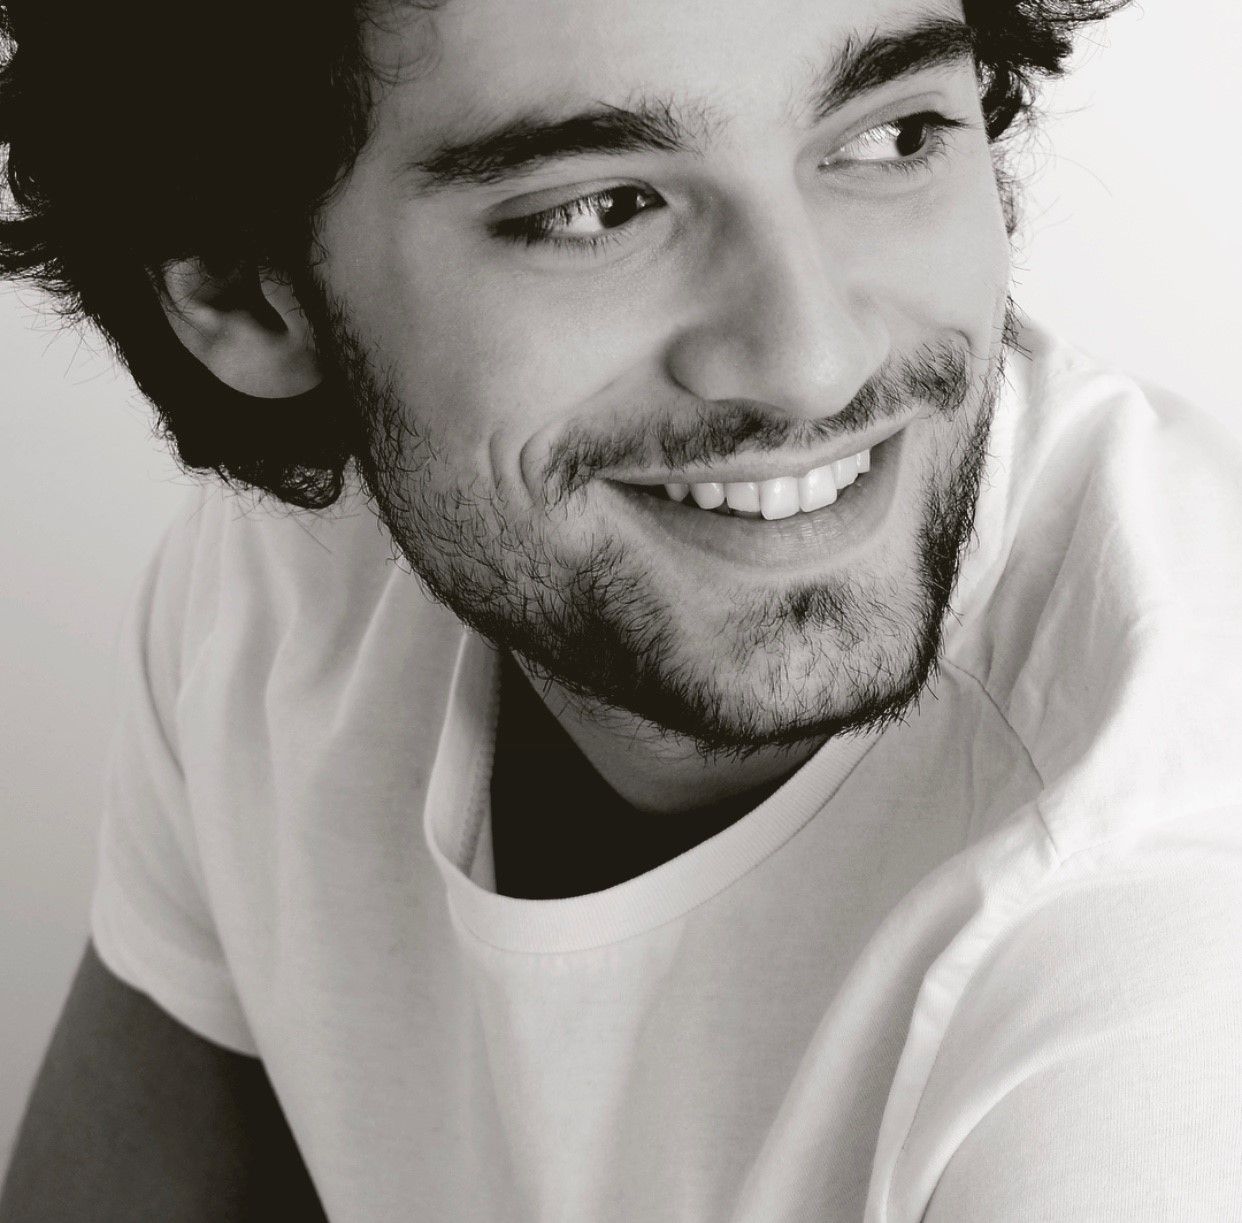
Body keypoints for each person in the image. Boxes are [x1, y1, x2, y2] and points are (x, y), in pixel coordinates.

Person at [2, 0, 1239, 1219]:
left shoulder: (1160, 958)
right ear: (246, 295)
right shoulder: (290, 589)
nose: (812, 362)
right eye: (596, 210)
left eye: (891, 138)